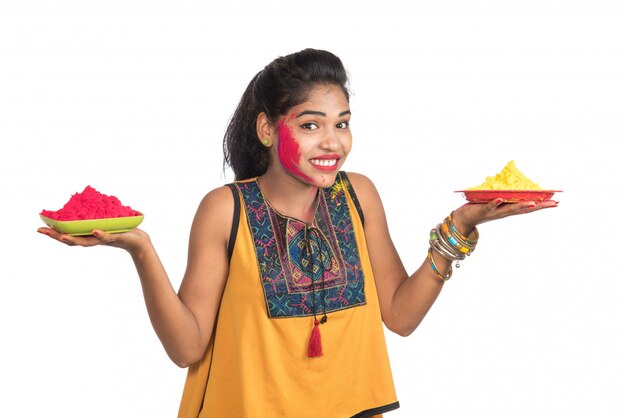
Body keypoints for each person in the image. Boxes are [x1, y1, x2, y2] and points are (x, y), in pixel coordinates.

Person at [37, 48, 558, 417]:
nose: (332, 140)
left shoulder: (359, 196)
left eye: (342, 122)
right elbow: (187, 348)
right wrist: (141, 252)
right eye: (310, 124)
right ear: (268, 128)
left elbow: (399, 316)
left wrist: (460, 227)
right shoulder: (226, 210)